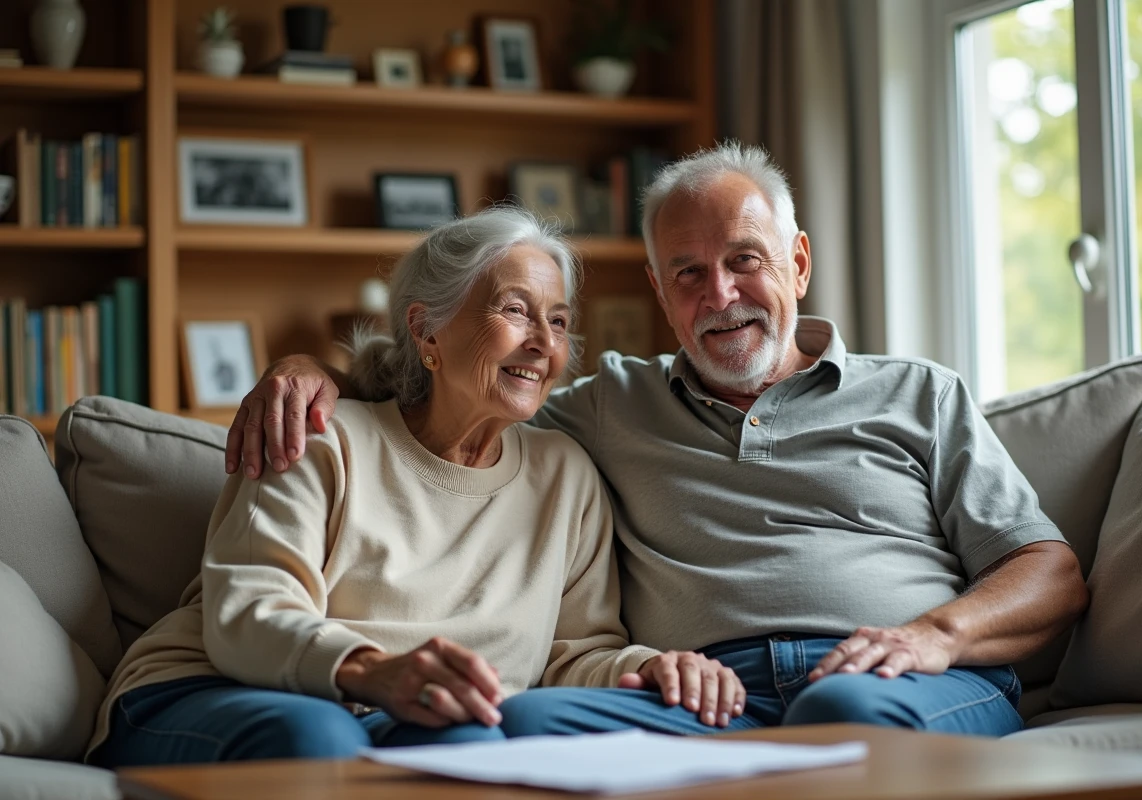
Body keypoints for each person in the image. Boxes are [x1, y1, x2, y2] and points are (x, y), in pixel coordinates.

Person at [227, 142, 1090, 738]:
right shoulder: (609, 405)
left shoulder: (919, 394)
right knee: (521, 724)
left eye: (744, 259)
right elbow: (453, 392)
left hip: (906, 678)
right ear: (658, 288)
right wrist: (308, 370)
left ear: (797, 262)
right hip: (711, 692)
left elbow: (1049, 573)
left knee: (842, 714)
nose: (718, 294)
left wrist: (935, 635)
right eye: (688, 272)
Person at [86, 207, 743, 768]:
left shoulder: (564, 474)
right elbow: (247, 617)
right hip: (207, 690)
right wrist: (373, 671)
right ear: (428, 332)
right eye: (515, 310)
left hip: (394, 714)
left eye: (560, 321)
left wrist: (650, 667)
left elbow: (574, 653)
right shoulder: (320, 435)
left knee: (468, 743)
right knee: (317, 736)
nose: (544, 343)